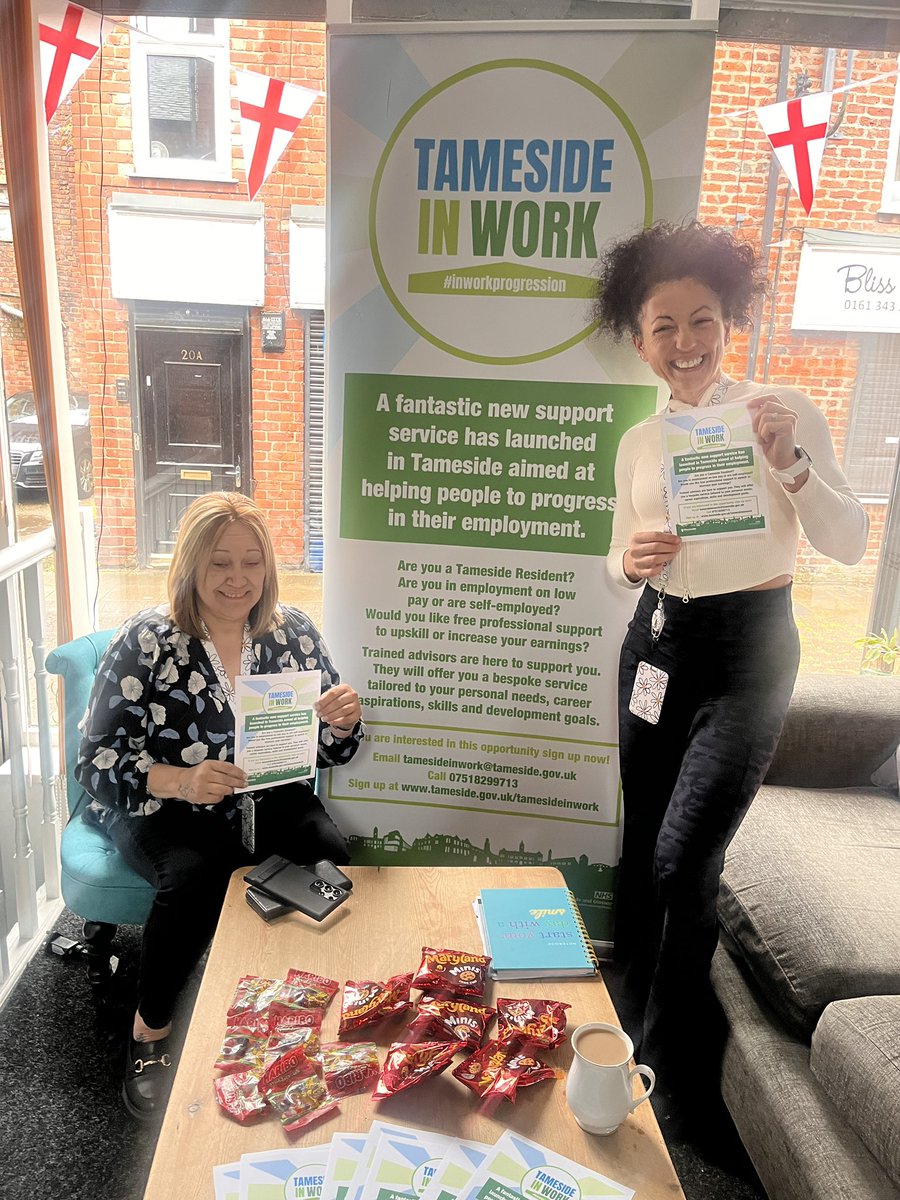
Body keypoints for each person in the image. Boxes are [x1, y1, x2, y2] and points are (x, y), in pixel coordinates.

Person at [592, 221, 868, 1103]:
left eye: (701, 320)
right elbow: (613, 553)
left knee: (683, 860)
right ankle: (623, 1005)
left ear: (727, 321)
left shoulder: (777, 411)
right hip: (657, 644)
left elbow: (852, 543)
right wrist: (626, 560)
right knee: (641, 848)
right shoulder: (641, 442)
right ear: (640, 341)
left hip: (750, 654)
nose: (685, 343)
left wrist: (788, 464)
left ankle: (672, 1065)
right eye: (664, 325)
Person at [75, 492, 363, 1120]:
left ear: (268, 568)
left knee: (331, 862)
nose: (238, 580)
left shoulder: (293, 633)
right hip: (161, 801)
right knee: (196, 876)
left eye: (252, 563)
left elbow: (333, 752)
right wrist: (178, 779)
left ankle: (285, 1013)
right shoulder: (147, 640)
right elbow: (93, 763)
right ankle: (149, 1036)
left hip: (269, 791)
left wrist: (340, 723)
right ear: (190, 567)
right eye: (220, 565)